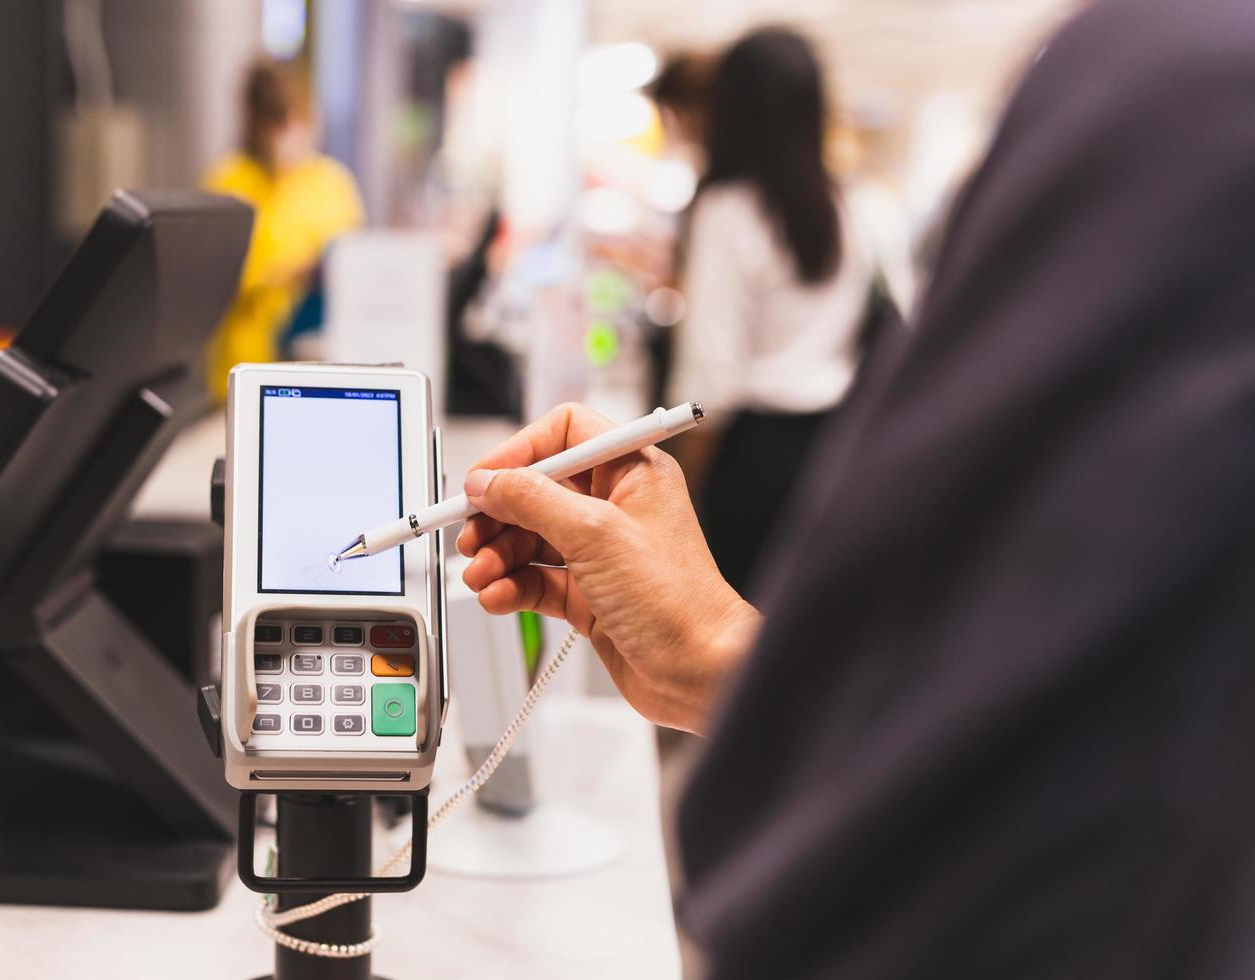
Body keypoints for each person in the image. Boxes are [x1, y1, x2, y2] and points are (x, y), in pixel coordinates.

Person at [458, 0, 1255, 975]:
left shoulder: (1180, 88)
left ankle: (736, 863)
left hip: (744, 452)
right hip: (825, 450)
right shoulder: (839, 200)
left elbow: (709, 371)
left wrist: (691, 502)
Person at [667, 28, 878, 592]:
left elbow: (711, 380)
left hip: (752, 461)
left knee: (731, 633)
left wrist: (680, 486)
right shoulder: (854, 207)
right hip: (838, 451)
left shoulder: (727, 211)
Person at [202, 60, 364, 400]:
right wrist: (287, 272)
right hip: (244, 370)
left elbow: (357, 265)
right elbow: (213, 279)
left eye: (296, 119)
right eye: (277, 122)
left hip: (319, 371)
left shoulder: (332, 182)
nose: (289, 133)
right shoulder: (229, 181)